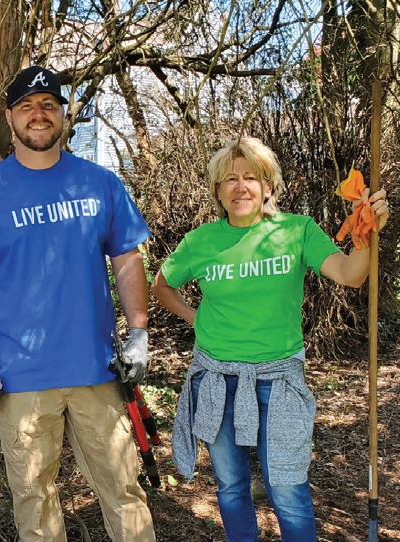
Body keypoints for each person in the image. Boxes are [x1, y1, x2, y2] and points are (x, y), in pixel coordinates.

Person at [0, 66, 156, 542]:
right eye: (26, 106)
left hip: (97, 371)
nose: (38, 115)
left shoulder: (100, 184)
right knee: (34, 503)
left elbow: (127, 261)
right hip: (21, 381)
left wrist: (138, 333)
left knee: (124, 491)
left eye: (48, 105)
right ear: (10, 117)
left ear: (63, 114)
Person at [151, 136, 389, 542]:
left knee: (288, 486)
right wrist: (196, 318)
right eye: (229, 180)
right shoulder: (201, 242)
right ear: (217, 192)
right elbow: (161, 284)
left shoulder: (296, 231)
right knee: (230, 485)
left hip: (279, 379)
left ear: (267, 187)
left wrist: (367, 233)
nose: (240, 187)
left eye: (250, 178)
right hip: (218, 377)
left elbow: (351, 275)